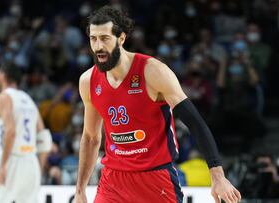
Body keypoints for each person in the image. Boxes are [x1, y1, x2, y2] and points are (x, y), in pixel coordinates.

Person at [74, 6, 241, 203]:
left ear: (121, 38)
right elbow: (91, 137)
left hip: (156, 179)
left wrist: (218, 176)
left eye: (105, 38)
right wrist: (80, 190)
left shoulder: (153, 72)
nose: (98, 46)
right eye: (93, 39)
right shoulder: (88, 81)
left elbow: (195, 123)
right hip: (113, 180)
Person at [0, 63, 52, 203]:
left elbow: (10, 132)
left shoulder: (2, 97)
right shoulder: (28, 99)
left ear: (2, 75)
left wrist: (3, 165)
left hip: (11, 158)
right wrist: (39, 166)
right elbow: (45, 138)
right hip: (31, 161)